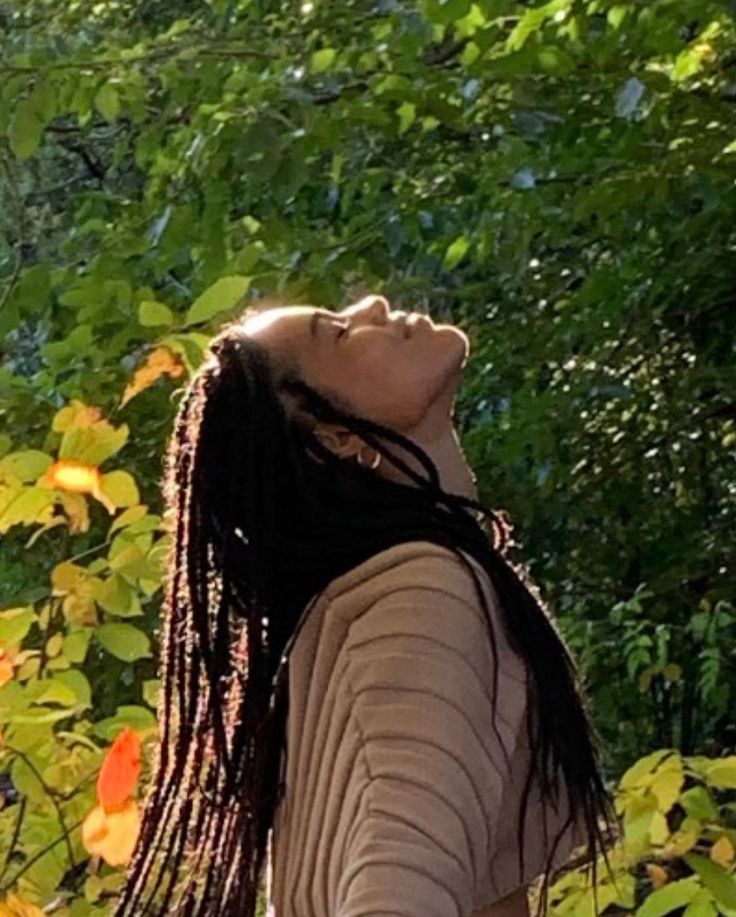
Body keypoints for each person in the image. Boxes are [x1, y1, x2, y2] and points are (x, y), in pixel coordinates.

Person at [112, 294, 620, 917]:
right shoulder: (418, 600)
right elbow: (397, 889)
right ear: (336, 436)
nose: (374, 304)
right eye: (339, 332)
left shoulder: (366, 606)